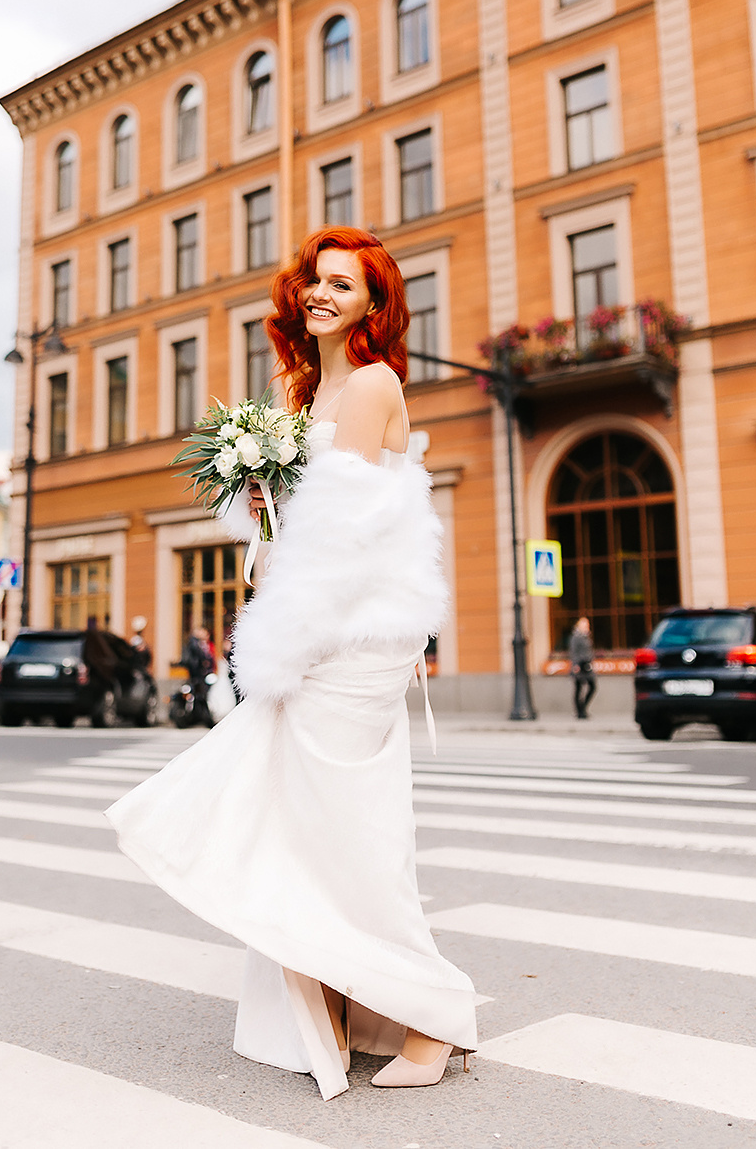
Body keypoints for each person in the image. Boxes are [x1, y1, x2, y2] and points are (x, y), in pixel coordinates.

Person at [106, 226, 477, 1099]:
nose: (321, 294)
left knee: (346, 832)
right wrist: (260, 512)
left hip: (345, 638)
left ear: (373, 306)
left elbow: (335, 538)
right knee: (316, 826)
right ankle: (357, 1003)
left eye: (344, 286)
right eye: (315, 280)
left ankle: (430, 1019)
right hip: (326, 625)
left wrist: (273, 590)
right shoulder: (312, 392)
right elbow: (295, 531)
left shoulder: (372, 383)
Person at [177, 626, 214, 729]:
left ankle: (204, 719)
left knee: (200, 697)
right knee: (201, 696)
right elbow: (200, 657)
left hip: (197, 674)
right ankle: (207, 720)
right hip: (197, 675)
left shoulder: (195, 643)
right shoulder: (195, 643)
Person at [569, 615, 596, 719]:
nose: (587, 626)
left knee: (592, 686)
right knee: (578, 688)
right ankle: (579, 711)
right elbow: (573, 651)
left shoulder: (587, 636)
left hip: (587, 665)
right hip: (579, 665)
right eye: (584, 624)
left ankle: (583, 707)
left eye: (587, 624)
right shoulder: (576, 637)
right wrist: (575, 665)